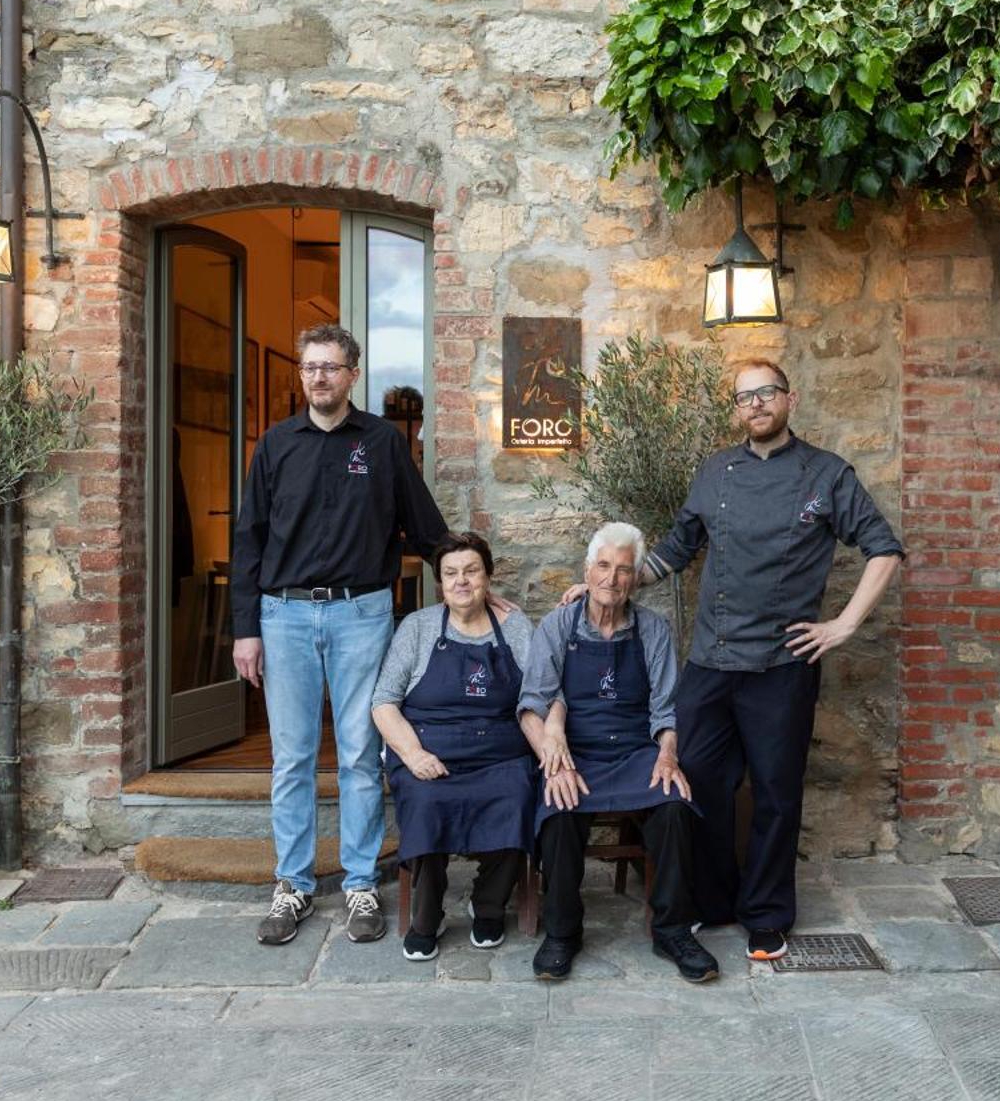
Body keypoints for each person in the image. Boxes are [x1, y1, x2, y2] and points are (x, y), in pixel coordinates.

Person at [643, 358, 903, 962]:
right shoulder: (715, 472)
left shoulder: (827, 474)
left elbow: (884, 549)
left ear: (790, 399)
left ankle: (764, 914)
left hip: (782, 667)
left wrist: (843, 625)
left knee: (777, 796)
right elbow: (676, 550)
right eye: (744, 398)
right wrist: (608, 584)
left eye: (766, 393)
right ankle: (711, 902)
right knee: (701, 783)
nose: (755, 404)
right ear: (735, 410)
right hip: (710, 661)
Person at [233, 323, 450, 948]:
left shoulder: (381, 444)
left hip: (361, 616)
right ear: (301, 375)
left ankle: (359, 884)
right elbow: (249, 542)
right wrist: (246, 630)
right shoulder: (275, 445)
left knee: (359, 754)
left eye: (330, 366)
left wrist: (471, 579)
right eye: (309, 368)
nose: (318, 377)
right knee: (293, 758)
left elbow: (425, 527)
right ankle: (294, 885)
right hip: (286, 617)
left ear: (353, 374)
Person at [518, 523, 719, 984]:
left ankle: (672, 930)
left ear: (634, 578)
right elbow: (531, 703)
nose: (612, 578)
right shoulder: (556, 626)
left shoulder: (653, 629)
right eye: (603, 566)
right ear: (588, 571)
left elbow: (666, 709)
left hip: (635, 752)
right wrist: (553, 757)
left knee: (674, 804)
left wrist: (667, 755)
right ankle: (563, 932)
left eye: (623, 569)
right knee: (559, 808)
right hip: (577, 753)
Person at [371, 532, 539, 961]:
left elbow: (540, 694)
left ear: (488, 577)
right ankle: (427, 916)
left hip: (500, 752)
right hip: (430, 751)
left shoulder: (516, 627)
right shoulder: (419, 627)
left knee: (518, 793)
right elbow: (384, 702)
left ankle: (487, 904)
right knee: (425, 801)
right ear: (440, 582)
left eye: (471, 571)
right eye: (451, 574)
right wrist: (412, 755)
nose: (461, 581)